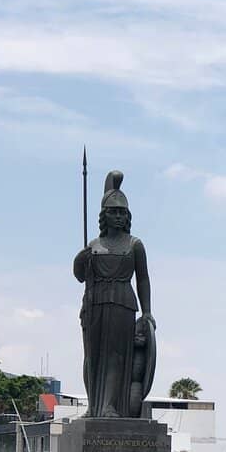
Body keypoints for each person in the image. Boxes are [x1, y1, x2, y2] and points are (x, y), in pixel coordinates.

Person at [72, 170, 156, 418]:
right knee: (92, 358)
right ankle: (93, 405)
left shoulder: (134, 244)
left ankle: (109, 405)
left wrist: (148, 311)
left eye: (122, 212)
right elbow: (79, 275)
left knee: (115, 358)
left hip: (122, 303)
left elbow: (143, 278)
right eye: (113, 212)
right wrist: (81, 259)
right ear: (104, 215)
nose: (118, 217)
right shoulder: (93, 245)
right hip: (94, 304)